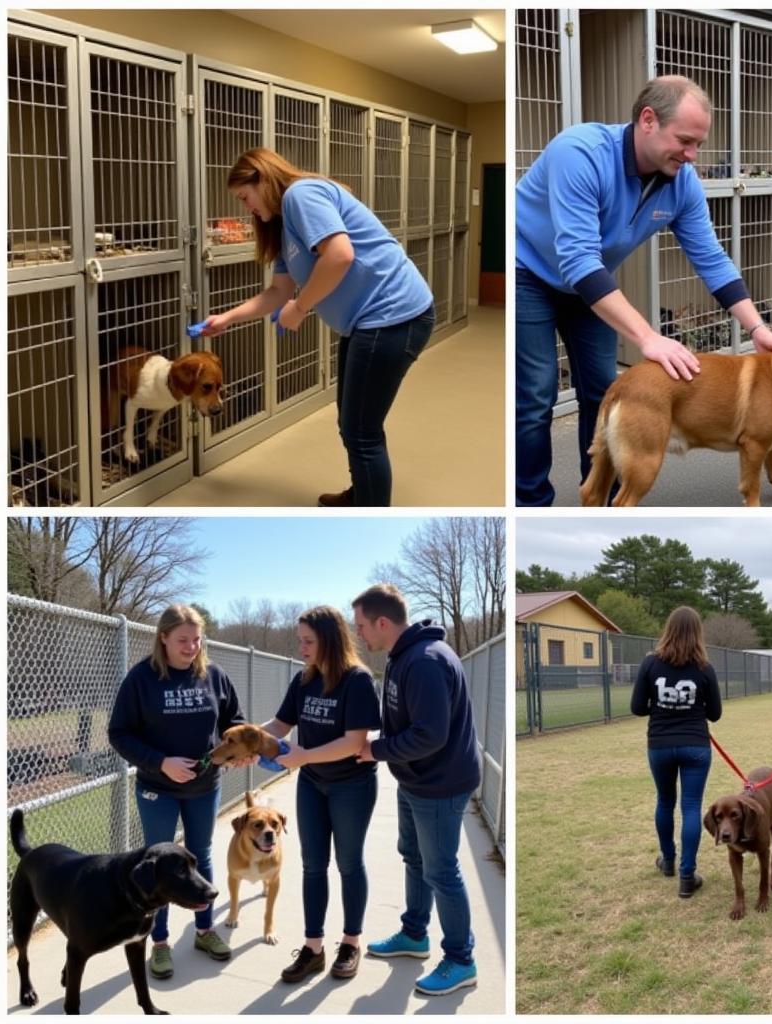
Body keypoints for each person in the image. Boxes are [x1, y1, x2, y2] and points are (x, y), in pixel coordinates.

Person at [515, 74, 772, 506]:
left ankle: (603, 499)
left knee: (601, 388)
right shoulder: (580, 153)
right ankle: (531, 503)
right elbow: (577, 259)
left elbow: (711, 258)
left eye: (699, 143)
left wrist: (756, 327)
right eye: (685, 140)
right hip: (529, 271)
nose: (692, 154)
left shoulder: (682, 182)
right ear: (648, 120)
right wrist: (647, 337)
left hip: (592, 282)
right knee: (536, 394)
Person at [202, 147, 435, 508]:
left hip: (393, 317)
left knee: (362, 432)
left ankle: (370, 510)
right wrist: (226, 319)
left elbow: (340, 255)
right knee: (352, 421)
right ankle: (362, 494)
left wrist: (301, 306)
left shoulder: (301, 194)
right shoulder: (281, 228)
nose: (246, 208)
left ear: (261, 178)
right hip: (366, 323)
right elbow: (278, 292)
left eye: (244, 197)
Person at [351, 584, 481, 997]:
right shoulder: (403, 655)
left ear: (383, 623)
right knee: (414, 857)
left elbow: (430, 734)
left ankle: (461, 959)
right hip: (415, 780)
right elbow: (405, 719)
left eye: (362, 627)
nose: (360, 635)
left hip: (440, 784)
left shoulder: (424, 661)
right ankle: (414, 934)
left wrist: (377, 750)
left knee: (441, 870)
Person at [108, 603, 245, 979]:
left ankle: (204, 930)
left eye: (197, 639)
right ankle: (160, 942)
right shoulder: (142, 679)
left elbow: (235, 722)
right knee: (160, 864)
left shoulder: (214, 675)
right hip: (158, 788)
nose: (191, 647)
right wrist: (160, 762)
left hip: (205, 786)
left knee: (200, 854)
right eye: (183, 640)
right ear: (163, 638)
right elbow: (119, 733)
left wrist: (236, 751)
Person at [256, 606, 382, 984]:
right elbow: (280, 725)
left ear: (329, 639)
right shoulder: (303, 680)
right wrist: (245, 740)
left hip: (351, 785)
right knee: (313, 865)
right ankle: (313, 948)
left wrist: (303, 756)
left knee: (348, 863)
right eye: (299, 640)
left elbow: (354, 741)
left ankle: (350, 943)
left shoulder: (357, 680)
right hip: (312, 784)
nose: (301, 648)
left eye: (308, 641)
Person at [630, 606, 722, 898]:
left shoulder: (650, 664)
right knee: (691, 807)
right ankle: (687, 874)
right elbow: (715, 714)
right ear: (698, 633)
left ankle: (668, 860)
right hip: (695, 744)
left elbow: (637, 707)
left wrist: (660, 706)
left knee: (665, 801)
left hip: (660, 745)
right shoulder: (705, 668)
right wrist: (693, 708)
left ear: (668, 629)